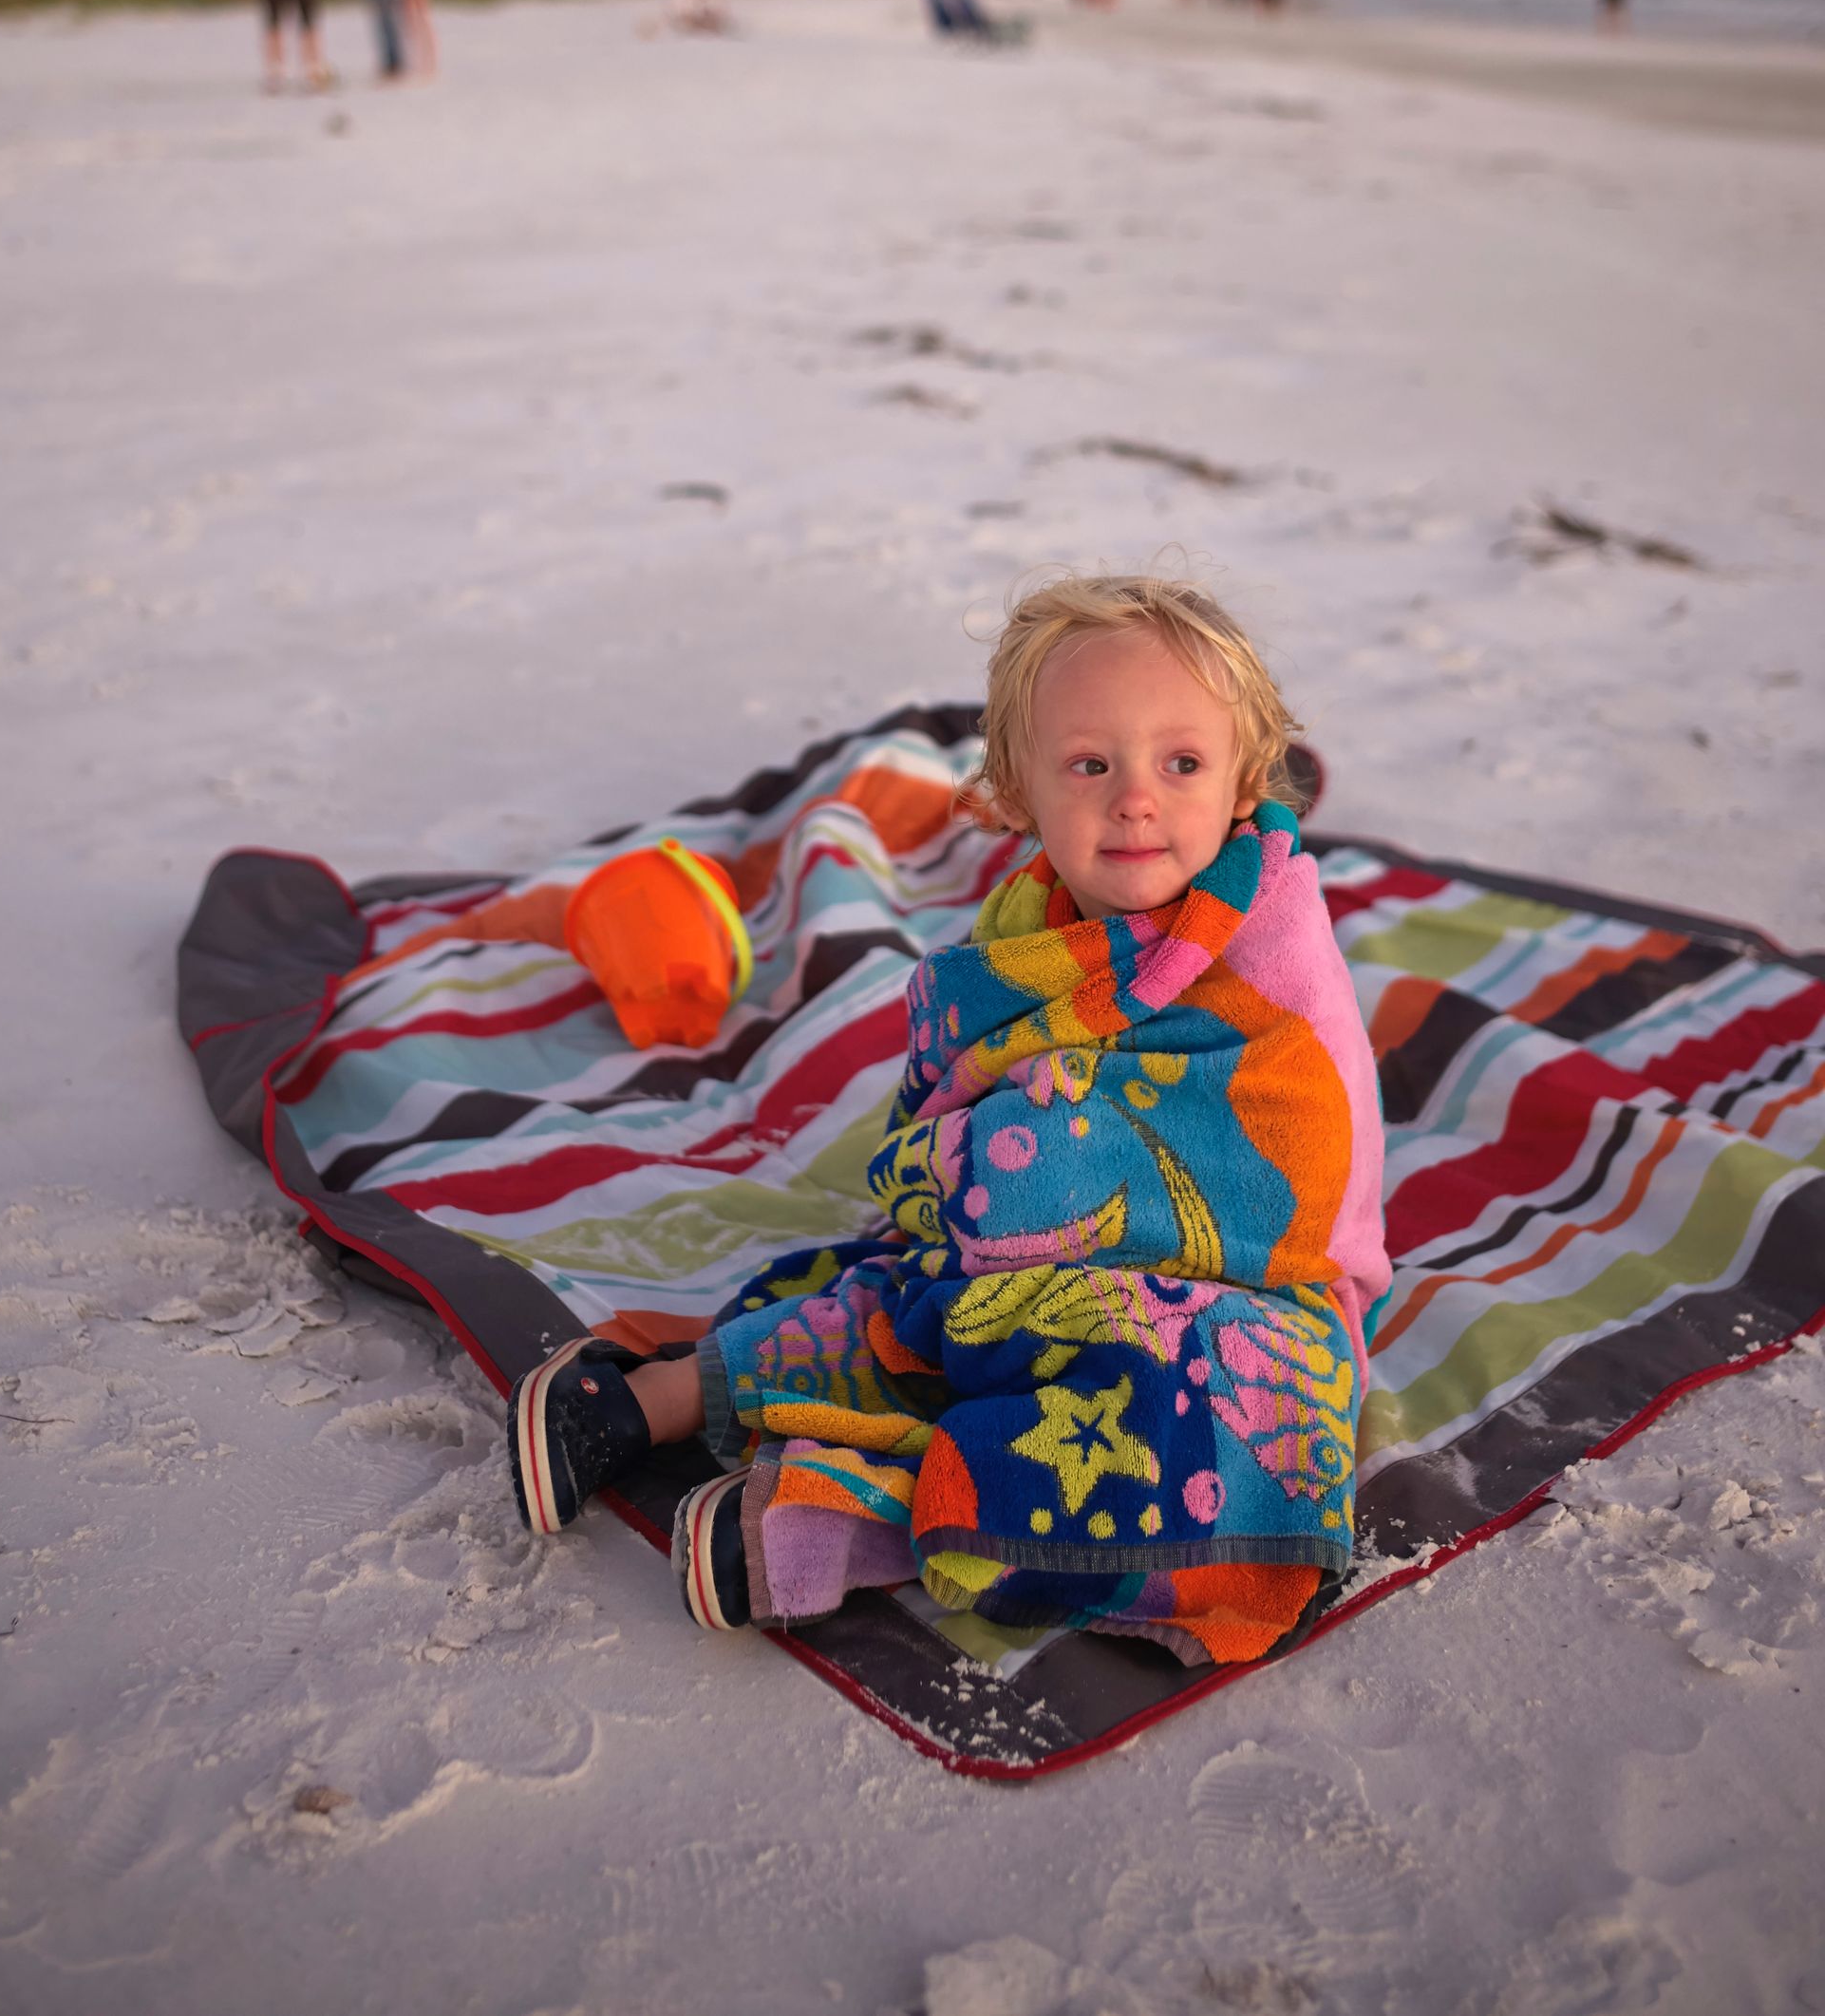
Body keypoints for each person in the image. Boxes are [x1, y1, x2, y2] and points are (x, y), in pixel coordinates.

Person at [505, 575, 1390, 1666]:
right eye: (1088, 764)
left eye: (1181, 763)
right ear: (1015, 791)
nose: (1134, 800)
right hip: (1011, 1252)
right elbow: (963, 1083)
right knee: (898, 1298)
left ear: (1245, 779)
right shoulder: (1032, 920)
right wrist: (989, 1175)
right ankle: (636, 1407)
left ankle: (834, 1520)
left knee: (1220, 1425)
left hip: (1248, 1289)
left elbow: (1296, 1154)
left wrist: (1049, 1168)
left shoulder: (1272, 946)